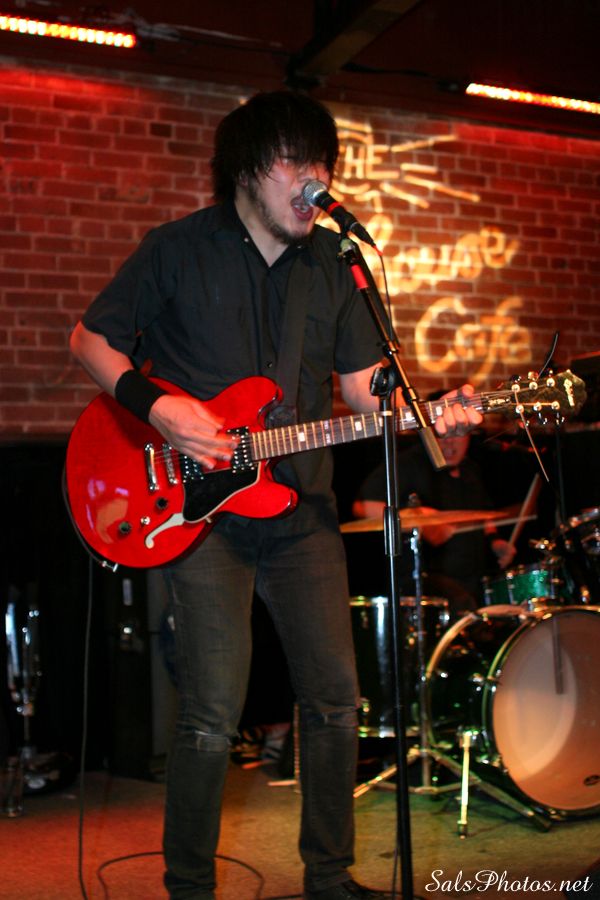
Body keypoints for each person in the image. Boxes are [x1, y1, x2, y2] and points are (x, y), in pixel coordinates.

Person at [69, 90, 482, 900]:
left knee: (335, 701)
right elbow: (90, 340)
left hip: (302, 512)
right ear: (250, 170)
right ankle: (189, 886)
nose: (314, 179)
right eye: (297, 162)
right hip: (198, 515)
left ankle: (328, 876)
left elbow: (363, 391)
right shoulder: (177, 249)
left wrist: (428, 409)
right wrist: (161, 409)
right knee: (211, 713)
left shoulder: (336, 263)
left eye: (323, 163)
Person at [353, 401, 516, 616]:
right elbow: (362, 507)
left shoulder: (471, 470)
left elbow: (482, 515)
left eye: (456, 434)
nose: (449, 442)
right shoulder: (408, 463)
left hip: (473, 579)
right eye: (441, 435)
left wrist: (495, 541)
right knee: (461, 602)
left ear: (469, 435)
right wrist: (414, 521)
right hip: (426, 582)